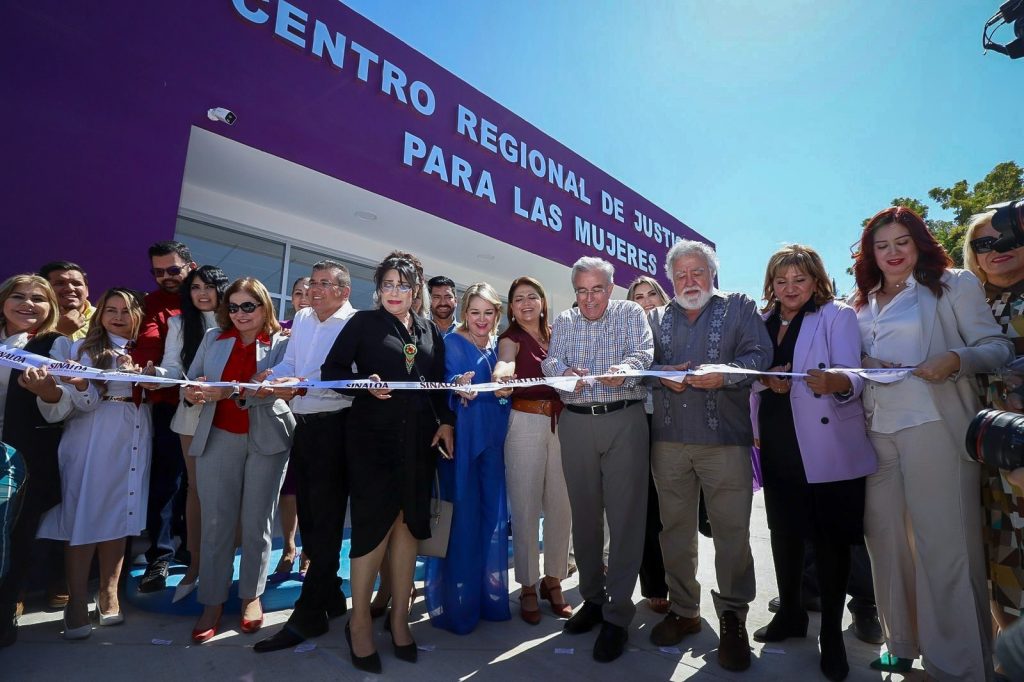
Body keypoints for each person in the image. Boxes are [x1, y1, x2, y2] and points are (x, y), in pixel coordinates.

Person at [853, 205, 1012, 679]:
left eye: (902, 242)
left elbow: (997, 347)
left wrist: (955, 359)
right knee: (886, 543)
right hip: (875, 432)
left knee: (946, 547)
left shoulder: (953, 283)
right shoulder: (859, 300)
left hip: (934, 426)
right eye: (882, 245)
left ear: (919, 242)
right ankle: (901, 641)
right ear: (869, 253)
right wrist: (862, 360)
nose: (893, 253)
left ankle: (959, 663)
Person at [749, 245, 877, 681]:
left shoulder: (836, 315)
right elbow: (753, 375)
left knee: (830, 540)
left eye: (799, 279)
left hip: (826, 442)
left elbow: (854, 373)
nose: (790, 288)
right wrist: (765, 382)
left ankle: (832, 636)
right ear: (771, 284)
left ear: (816, 280)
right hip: (778, 438)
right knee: (784, 532)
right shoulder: (762, 321)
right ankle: (790, 614)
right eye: (781, 280)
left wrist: (837, 381)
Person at [321, 254, 453, 674]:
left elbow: (438, 387)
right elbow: (332, 371)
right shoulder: (362, 323)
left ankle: (398, 619)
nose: (394, 292)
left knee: (408, 523)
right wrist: (364, 384)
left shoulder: (429, 331)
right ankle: (359, 621)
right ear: (378, 289)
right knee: (372, 525)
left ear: (416, 290)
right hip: (372, 441)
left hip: (418, 443)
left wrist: (445, 422)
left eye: (403, 285)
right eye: (387, 284)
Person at [645, 239, 771, 673]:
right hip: (668, 441)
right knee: (675, 531)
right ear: (670, 279)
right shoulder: (655, 317)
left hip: (725, 441)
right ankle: (684, 610)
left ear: (712, 273)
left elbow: (760, 355)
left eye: (697, 271)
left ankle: (733, 616)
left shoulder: (739, 307)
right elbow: (640, 366)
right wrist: (661, 374)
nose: (689, 281)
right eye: (680, 274)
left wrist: (726, 374)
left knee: (732, 532)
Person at [541, 256, 653, 663]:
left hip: (624, 419)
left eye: (598, 289)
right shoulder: (565, 321)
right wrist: (564, 371)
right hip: (575, 423)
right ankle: (592, 598)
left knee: (625, 519)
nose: (590, 299)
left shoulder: (631, 313)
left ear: (612, 286)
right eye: (582, 291)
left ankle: (618, 614)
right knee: (585, 516)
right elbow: (550, 361)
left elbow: (644, 354)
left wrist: (625, 368)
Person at [182, 277, 295, 643]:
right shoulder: (213, 338)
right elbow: (191, 381)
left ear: (264, 306)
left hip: (268, 439)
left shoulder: (283, 342)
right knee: (216, 521)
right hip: (218, 436)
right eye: (233, 307)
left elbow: (280, 390)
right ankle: (212, 601)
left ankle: (251, 596)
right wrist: (193, 393)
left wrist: (229, 390)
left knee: (258, 522)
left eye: (249, 306)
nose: (240, 313)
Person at [37, 288, 154, 639]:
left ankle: (108, 592)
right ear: (100, 314)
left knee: (120, 514)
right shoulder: (81, 349)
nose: (118, 317)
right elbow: (79, 402)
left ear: (138, 316)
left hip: (135, 430)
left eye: (126, 310)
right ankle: (75, 600)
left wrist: (146, 377)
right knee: (85, 515)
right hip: (93, 436)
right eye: (110, 309)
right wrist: (85, 383)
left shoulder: (143, 351)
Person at [254, 261, 357, 653]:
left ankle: (309, 613)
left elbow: (350, 381)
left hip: (337, 428)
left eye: (324, 284)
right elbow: (292, 364)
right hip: (305, 426)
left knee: (327, 520)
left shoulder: (356, 324)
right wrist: (271, 376)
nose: (314, 289)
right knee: (310, 519)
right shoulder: (302, 318)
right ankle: (330, 594)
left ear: (344, 291)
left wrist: (300, 385)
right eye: (312, 282)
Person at [424, 283, 512, 634]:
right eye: (475, 312)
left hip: (494, 442)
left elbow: (504, 391)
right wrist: (457, 383)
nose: (481, 319)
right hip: (463, 444)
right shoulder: (452, 342)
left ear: (497, 314)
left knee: (490, 522)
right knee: (463, 524)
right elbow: (443, 381)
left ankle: (485, 599)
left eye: (488, 312)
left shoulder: (497, 346)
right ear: (465, 312)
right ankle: (458, 607)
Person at [493, 276, 573, 624]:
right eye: (518, 299)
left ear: (542, 302)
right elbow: (505, 362)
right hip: (524, 424)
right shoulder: (509, 339)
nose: (525, 303)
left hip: (563, 425)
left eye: (531, 297)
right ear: (511, 308)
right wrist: (502, 376)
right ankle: (527, 584)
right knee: (525, 507)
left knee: (561, 505)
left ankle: (553, 579)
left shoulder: (559, 335)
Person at [149, 265, 228, 602]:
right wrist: (157, 375)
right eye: (195, 287)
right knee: (196, 489)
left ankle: (221, 563)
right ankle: (195, 565)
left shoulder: (236, 319)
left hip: (231, 414)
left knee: (228, 492)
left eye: (209, 286)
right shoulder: (179, 323)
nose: (202, 293)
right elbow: (172, 367)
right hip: (192, 412)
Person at [964, 209, 1024, 645]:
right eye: (983, 243)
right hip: (984, 454)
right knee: (999, 561)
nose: (996, 249)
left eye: (1007, 238)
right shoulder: (969, 304)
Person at [0, 275, 68, 647]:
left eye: (38, 299)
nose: (28, 304)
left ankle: (4, 612)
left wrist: (47, 391)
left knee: (12, 535)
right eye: (19, 296)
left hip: (19, 458)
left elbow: (62, 407)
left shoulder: (52, 344)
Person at [134, 240, 196, 593]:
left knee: (198, 484)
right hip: (166, 406)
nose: (166, 277)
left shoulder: (211, 301)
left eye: (173, 270)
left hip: (211, 407)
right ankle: (160, 555)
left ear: (190, 266)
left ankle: (193, 548)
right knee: (167, 482)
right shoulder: (146, 304)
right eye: (158, 272)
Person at [625, 275, 673, 616]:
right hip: (637, 422)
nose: (646, 302)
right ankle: (656, 585)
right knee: (647, 508)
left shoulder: (677, 328)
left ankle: (679, 580)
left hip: (674, 425)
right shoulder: (625, 332)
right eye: (638, 297)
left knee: (675, 509)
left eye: (651, 294)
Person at [274, 276, 311, 581]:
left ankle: (309, 549)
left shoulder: (326, 329)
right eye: (298, 293)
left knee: (310, 486)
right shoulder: (279, 330)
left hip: (313, 418)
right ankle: (288, 547)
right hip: (281, 417)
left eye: (309, 293)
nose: (304, 299)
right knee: (287, 488)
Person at [39, 261, 94, 341]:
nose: (70, 288)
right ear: (44, 289)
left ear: (87, 290)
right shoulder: (33, 318)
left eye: (76, 283)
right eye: (60, 283)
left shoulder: (103, 318)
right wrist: (58, 332)